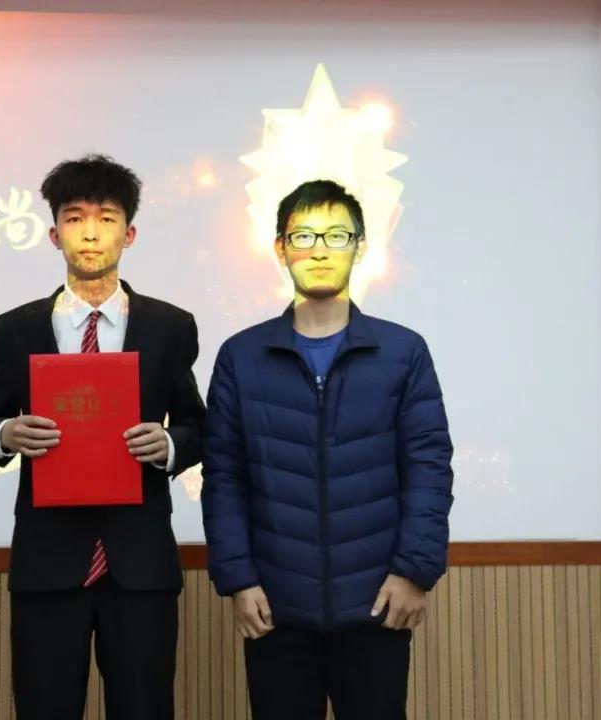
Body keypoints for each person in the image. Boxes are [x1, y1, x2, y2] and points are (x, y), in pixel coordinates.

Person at [201, 179, 454, 720]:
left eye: (337, 236)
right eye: (304, 236)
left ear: (360, 247)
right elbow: (223, 477)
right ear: (280, 248)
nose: (320, 250)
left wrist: (415, 571)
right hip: (274, 607)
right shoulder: (241, 357)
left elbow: (429, 468)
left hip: (378, 603)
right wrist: (239, 579)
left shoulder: (403, 352)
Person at [0, 154, 205, 720]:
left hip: (139, 565)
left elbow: (200, 425)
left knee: (144, 708)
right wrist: (7, 433)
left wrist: (171, 444)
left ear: (129, 233)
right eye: (75, 218)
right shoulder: (16, 328)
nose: (91, 232)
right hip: (48, 563)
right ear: (54, 235)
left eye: (106, 218)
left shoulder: (170, 327)